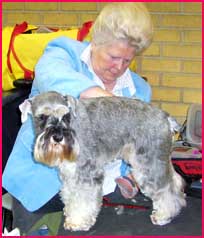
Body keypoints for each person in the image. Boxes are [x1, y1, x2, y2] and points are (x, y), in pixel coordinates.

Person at [3, 2, 153, 232]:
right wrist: (98, 96)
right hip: (42, 186)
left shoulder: (139, 90)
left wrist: (131, 173)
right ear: (96, 42)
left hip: (104, 191)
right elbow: (51, 74)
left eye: (126, 60)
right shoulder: (62, 53)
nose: (119, 67)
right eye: (113, 57)